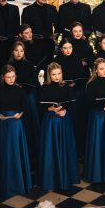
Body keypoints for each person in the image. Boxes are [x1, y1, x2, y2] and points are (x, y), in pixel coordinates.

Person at [0, 65, 32, 197]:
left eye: (13, 76)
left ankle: (19, 184)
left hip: (16, 125)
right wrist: (0, 114)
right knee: (4, 153)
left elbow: (25, 106)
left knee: (15, 152)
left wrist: (21, 113)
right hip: (2, 125)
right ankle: (3, 184)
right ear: (3, 78)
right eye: (8, 77)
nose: (11, 79)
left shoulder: (20, 91)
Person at [37, 62, 80, 191]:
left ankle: (67, 176)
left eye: (59, 74)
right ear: (49, 75)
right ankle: (51, 178)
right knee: (51, 148)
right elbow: (40, 105)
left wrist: (65, 110)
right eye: (54, 74)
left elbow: (72, 102)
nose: (57, 77)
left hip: (63, 119)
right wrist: (48, 108)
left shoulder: (66, 86)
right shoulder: (44, 87)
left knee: (65, 147)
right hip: (50, 121)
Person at [8, 40, 41, 154]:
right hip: (13, 96)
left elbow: (34, 83)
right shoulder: (8, 66)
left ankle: (32, 152)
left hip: (28, 94)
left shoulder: (29, 65)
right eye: (16, 50)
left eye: (21, 51)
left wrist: (25, 88)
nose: (19, 53)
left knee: (30, 120)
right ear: (12, 52)